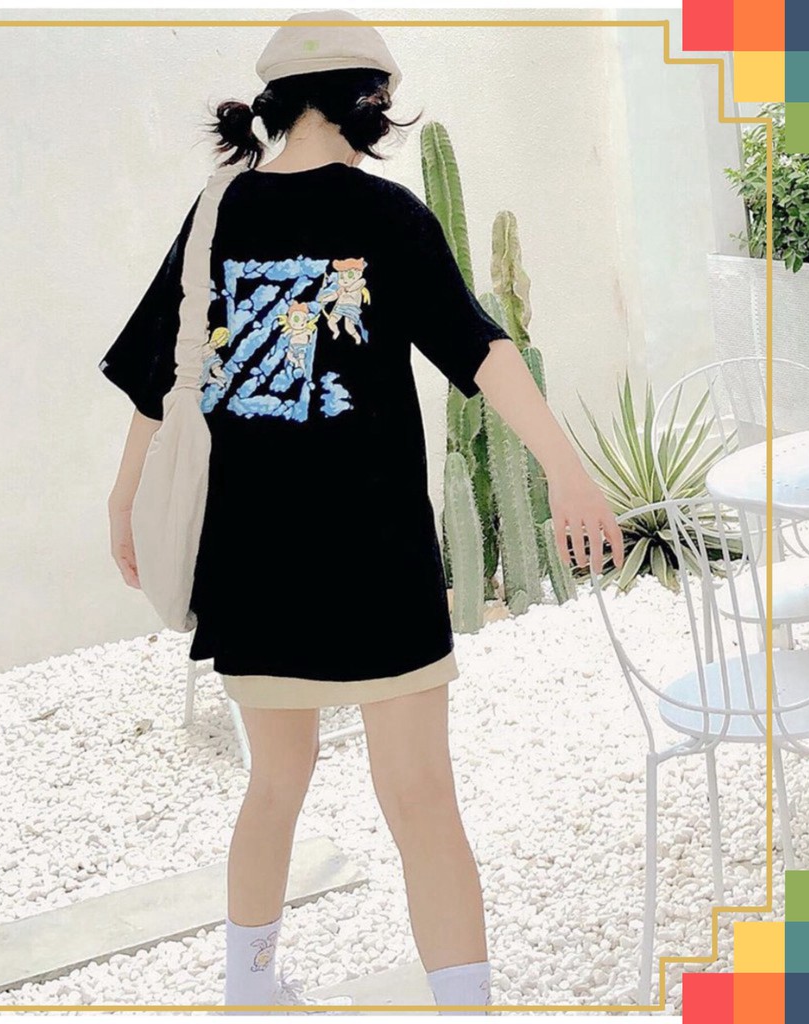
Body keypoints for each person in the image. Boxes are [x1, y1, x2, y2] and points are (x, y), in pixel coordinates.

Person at [99, 10, 624, 1013]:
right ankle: (462, 1005)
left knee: (274, 783)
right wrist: (567, 470)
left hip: (249, 556)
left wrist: (125, 496)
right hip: (374, 553)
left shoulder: (217, 212)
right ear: (368, 101)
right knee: (420, 795)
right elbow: (480, 347)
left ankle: (251, 992)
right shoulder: (388, 217)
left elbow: (156, 375)